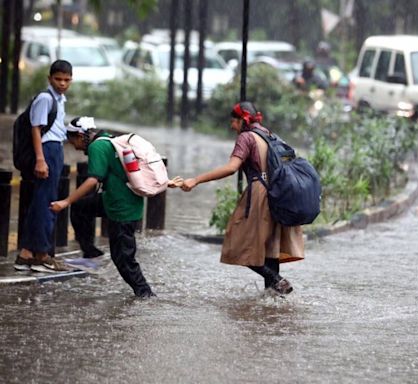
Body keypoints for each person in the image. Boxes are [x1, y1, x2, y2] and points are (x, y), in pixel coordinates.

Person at [49, 116, 183, 298]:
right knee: (81, 208)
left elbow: (92, 180)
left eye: (72, 141)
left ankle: (146, 295)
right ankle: (91, 255)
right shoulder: (108, 140)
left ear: (80, 136)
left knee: (123, 259)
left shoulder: (97, 147)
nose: (73, 146)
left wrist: (65, 201)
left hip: (122, 209)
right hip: (113, 201)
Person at [181, 101, 304, 296]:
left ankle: (276, 280)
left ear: (242, 120)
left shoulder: (246, 137)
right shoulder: (270, 135)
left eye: (233, 121)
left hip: (260, 194)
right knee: (270, 248)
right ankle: (273, 300)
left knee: (237, 243)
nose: (232, 126)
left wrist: (195, 180)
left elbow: (231, 168)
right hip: (280, 194)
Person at [14, 60, 73, 273]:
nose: (62, 83)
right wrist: (40, 159)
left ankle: (27, 254)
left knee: (43, 200)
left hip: (55, 149)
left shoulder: (60, 100)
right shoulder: (45, 98)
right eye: (58, 79)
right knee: (44, 202)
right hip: (46, 150)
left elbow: (57, 129)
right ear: (50, 79)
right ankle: (41, 254)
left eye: (67, 80)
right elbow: (36, 130)